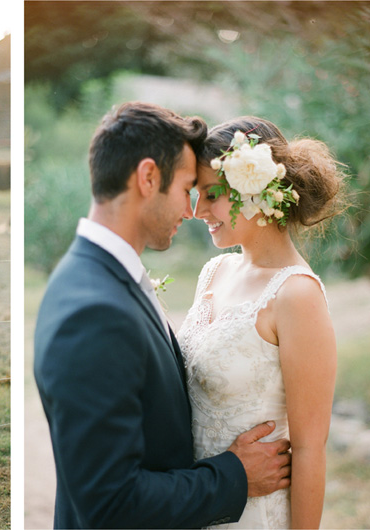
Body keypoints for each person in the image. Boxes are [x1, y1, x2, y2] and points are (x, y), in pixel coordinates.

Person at [33, 102, 292, 529]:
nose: (191, 211)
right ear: (148, 178)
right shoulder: (94, 312)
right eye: (187, 187)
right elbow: (110, 505)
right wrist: (235, 475)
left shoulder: (105, 277)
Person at [180, 116, 344, 529]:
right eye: (196, 194)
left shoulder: (297, 295)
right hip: (199, 498)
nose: (197, 211)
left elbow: (309, 449)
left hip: (254, 515)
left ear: (255, 188)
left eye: (211, 194)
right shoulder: (214, 272)